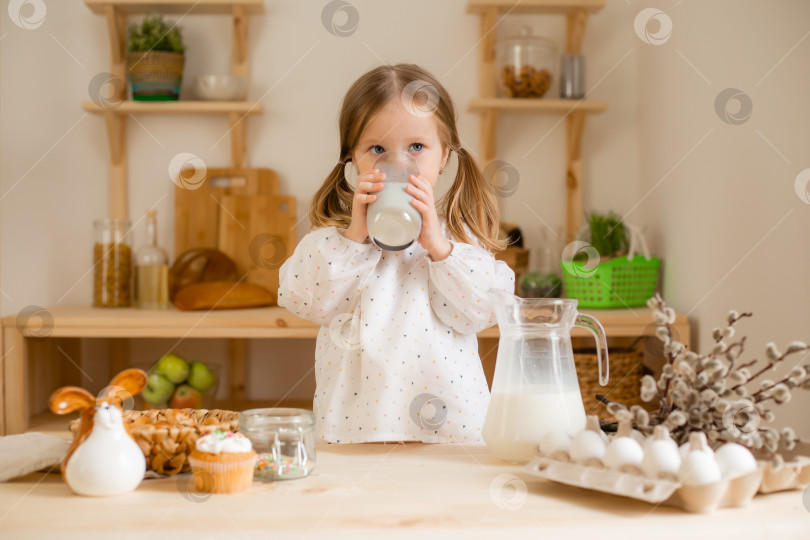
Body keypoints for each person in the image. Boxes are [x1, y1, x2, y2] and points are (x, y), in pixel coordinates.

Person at [278, 64, 514, 444]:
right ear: (353, 159)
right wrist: (355, 237)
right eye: (377, 149)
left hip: (450, 435)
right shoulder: (332, 243)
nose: (396, 162)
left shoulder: (459, 243)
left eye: (416, 147)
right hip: (355, 433)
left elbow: (484, 312)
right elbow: (306, 299)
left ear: (444, 156)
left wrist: (439, 247)